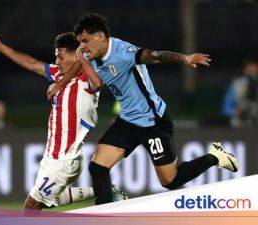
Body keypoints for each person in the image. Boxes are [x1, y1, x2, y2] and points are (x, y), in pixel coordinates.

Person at [69, 13, 240, 205]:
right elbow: (86, 76)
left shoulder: (123, 52)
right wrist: (57, 84)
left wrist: (185, 59)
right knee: (97, 168)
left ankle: (215, 157)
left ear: (100, 36)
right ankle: (105, 216)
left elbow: (154, 56)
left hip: (153, 121)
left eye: (85, 40)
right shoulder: (90, 57)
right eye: (80, 42)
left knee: (170, 181)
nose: (82, 46)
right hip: (127, 121)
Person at [0, 32, 126, 211]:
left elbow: (95, 78)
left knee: (31, 206)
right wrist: (0, 46)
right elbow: (31, 63)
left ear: (76, 55)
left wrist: (82, 57)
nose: (57, 62)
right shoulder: (58, 73)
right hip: (52, 156)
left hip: (64, 158)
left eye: (60, 57)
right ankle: (105, 191)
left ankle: (107, 191)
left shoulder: (86, 76)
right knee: (48, 199)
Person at [223, 60, 258, 128]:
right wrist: (235, 111)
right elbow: (226, 107)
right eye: (251, 71)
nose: (253, 74)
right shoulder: (236, 85)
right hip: (240, 125)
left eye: (255, 72)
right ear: (245, 71)